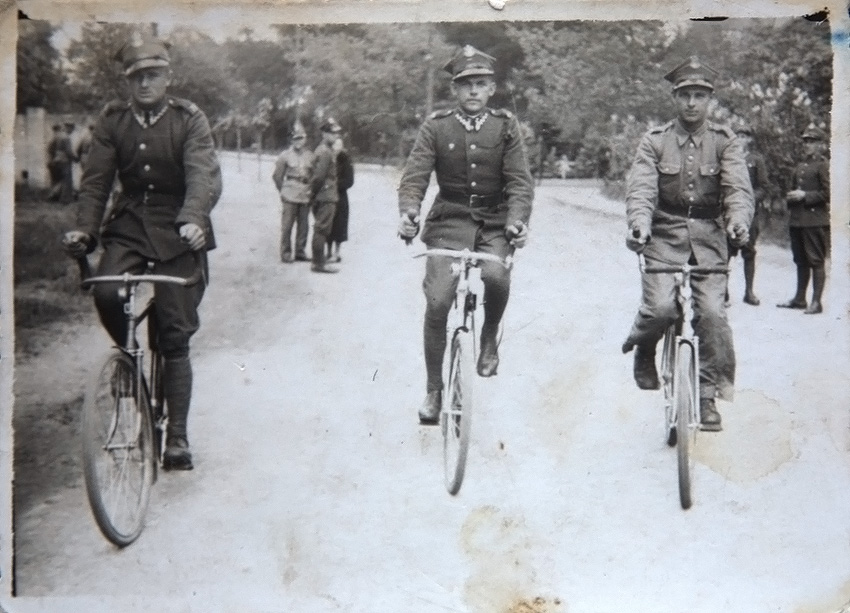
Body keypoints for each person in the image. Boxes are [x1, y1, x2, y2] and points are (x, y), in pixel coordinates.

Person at [62, 33, 222, 470]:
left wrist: (194, 219)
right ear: (127, 82)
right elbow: (96, 182)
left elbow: (202, 175)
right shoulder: (113, 120)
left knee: (175, 332)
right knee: (106, 291)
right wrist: (85, 231)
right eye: (137, 77)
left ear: (168, 77)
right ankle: (129, 366)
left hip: (179, 227)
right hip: (130, 223)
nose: (145, 84)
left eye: (153, 75)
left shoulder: (189, 119)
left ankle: (178, 438)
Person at [397, 45, 533, 424]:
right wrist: (409, 212)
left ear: (491, 89)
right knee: (438, 300)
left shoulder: (505, 125)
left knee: (496, 277)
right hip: (449, 221)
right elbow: (415, 176)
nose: (473, 90)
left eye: (480, 83)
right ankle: (433, 390)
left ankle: (489, 335)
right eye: (466, 84)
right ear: (455, 89)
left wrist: (517, 220)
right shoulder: (436, 126)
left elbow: (519, 181)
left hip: (495, 222)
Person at [621, 56, 754, 431]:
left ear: (710, 99)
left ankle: (707, 395)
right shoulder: (655, 141)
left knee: (712, 315)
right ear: (675, 98)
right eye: (685, 95)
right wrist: (639, 226)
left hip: (710, 238)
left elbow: (737, 191)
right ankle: (645, 346)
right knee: (660, 308)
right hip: (663, 234)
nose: (692, 103)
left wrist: (738, 222)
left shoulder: (725, 142)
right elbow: (641, 191)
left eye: (699, 95)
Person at [777, 125, 830, 314]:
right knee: (800, 260)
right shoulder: (800, 166)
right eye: (806, 141)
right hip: (798, 220)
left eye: (812, 141)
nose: (808, 145)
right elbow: (793, 190)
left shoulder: (823, 165)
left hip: (815, 220)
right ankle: (800, 299)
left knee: (816, 260)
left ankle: (816, 302)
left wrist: (805, 196)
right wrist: (791, 197)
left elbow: (829, 192)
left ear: (820, 145)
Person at [725, 122, 768, 306]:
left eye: (744, 137)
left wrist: (748, 199)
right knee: (725, 251)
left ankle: (749, 291)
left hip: (750, 213)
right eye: (738, 136)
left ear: (749, 140)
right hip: (728, 212)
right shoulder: (727, 158)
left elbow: (763, 187)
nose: (741, 140)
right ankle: (723, 292)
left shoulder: (756, 160)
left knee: (749, 251)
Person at [272, 122, 313, 263]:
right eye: (295, 138)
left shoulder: (310, 155)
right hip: (290, 194)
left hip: (305, 194)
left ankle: (300, 252)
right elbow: (277, 176)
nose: (298, 141)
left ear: (305, 139)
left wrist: (310, 191)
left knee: (304, 226)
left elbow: (313, 175)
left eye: (301, 138)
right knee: (287, 226)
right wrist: (283, 191)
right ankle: (286, 253)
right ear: (291, 140)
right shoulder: (285, 156)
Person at [308, 117, 343, 273]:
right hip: (325, 195)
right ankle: (318, 263)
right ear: (324, 134)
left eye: (336, 133)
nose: (336, 136)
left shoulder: (324, 150)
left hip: (324, 195)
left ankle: (318, 261)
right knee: (321, 229)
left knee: (321, 229)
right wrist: (314, 194)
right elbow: (319, 177)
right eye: (332, 133)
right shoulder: (325, 152)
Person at [326, 134, 354, 263]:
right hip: (328, 196)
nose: (336, 147)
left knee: (339, 225)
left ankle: (337, 253)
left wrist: (335, 185)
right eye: (334, 145)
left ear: (342, 147)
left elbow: (349, 181)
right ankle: (328, 251)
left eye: (339, 145)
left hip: (340, 197)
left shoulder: (346, 160)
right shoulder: (327, 158)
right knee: (328, 223)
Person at [47, 123, 74, 203]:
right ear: (69, 128)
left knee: (58, 180)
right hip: (65, 160)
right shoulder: (66, 137)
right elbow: (68, 151)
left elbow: (49, 149)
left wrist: (53, 158)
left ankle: (54, 196)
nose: (72, 131)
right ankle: (65, 199)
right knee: (66, 180)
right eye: (72, 129)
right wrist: (74, 158)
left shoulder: (58, 136)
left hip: (57, 160)